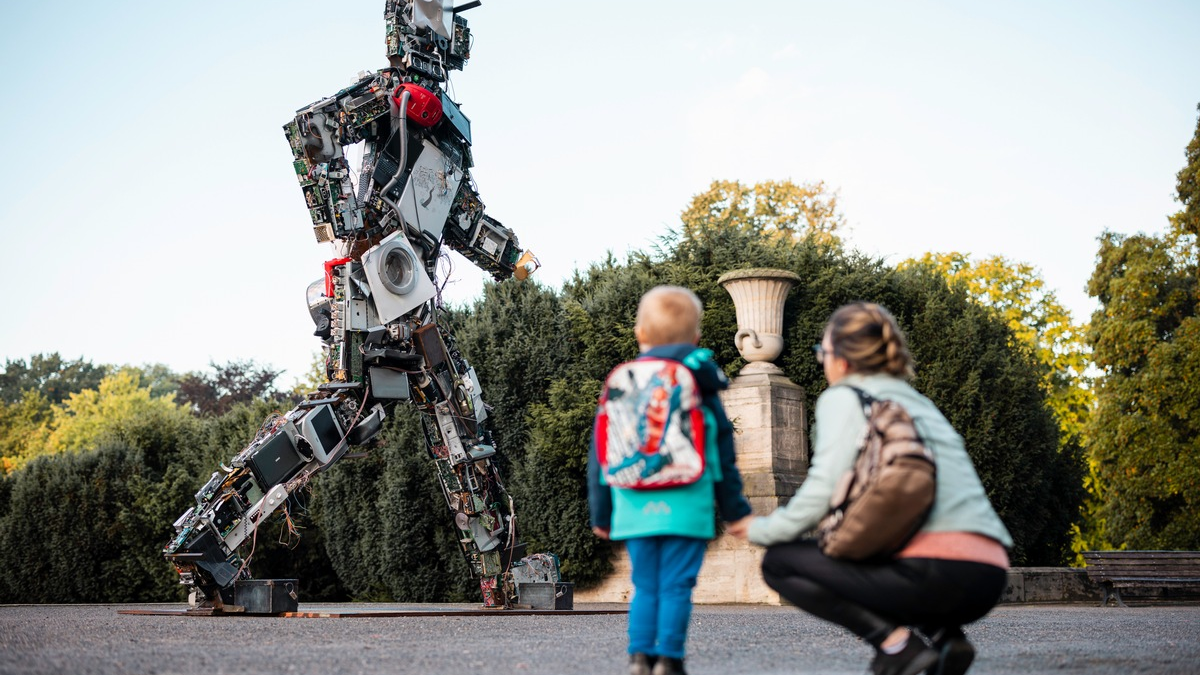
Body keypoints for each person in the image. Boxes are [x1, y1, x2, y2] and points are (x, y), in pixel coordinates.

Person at [731, 302, 1012, 675]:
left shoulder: (847, 396)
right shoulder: (918, 402)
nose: (823, 363)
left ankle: (897, 646)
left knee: (781, 563)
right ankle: (944, 637)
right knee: (876, 545)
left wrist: (762, 529)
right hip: (988, 576)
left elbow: (823, 489)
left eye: (823, 354)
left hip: (933, 574)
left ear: (842, 360)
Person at [588, 285, 754, 675]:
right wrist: (736, 511)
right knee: (677, 586)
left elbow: (599, 450)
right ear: (695, 337)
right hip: (687, 503)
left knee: (645, 585)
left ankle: (639, 657)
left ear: (640, 335)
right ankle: (670, 660)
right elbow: (722, 449)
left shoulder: (621, 380)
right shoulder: (700, 376)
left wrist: (602, 512)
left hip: (633, 502)